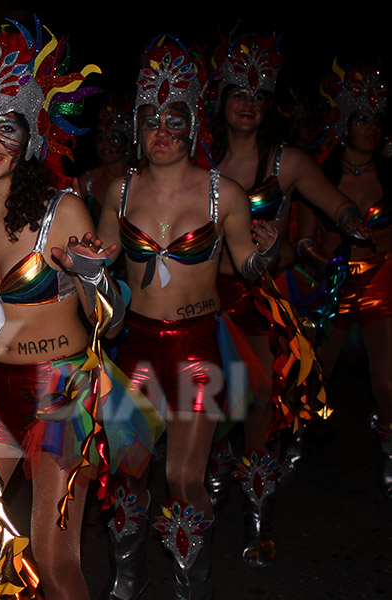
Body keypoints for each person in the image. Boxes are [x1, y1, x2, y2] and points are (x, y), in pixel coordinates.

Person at [0, 16, 122, 599]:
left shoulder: (66, 211)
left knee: (55, 561)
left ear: (32, 135)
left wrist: (94, 279)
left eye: (5, 127)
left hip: (59, 395)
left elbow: (115, 322)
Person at [94, 36, 279, 600]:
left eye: (176, 119)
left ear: (195, 124)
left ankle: (192, 585)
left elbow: (247, 266)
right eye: (152, 119)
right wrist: (84, 269)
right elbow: (101, 272)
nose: (164, 132)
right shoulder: (119, 192)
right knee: (128, 476)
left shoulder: (226, 195)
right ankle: (129, 578)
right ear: (138, 126)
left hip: (199, 345)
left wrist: (265, 254)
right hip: (133, 347)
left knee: (181, 477)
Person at [208, 34, 369, 566]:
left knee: (259, 407)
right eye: (238, 92)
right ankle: (202, 506)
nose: (249, 103)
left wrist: (352, 221)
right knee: (202, 410)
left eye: (258, 93)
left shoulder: (288, 161)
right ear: (221, 99)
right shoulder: (196, 159)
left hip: (260, 300)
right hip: (204, 302)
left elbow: (337, 203)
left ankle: (259, 521)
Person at [298, 62, 392, 502]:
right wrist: (325, 264)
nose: (370, 128)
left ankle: (390, 447)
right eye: (360, 118)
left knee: (387, 380)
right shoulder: (321, 178)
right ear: (343, 123)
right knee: (316, 373)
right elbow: (302, 240)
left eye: (375, 118)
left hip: (382, 284)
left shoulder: (390, 175)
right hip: (335, 284)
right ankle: (294, 438)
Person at [73, 98, 134, 224]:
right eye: (101, 138)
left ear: (127, 143)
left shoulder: (138, 178)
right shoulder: (85, 181)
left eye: (114, 139)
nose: (105, 144)